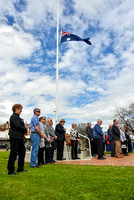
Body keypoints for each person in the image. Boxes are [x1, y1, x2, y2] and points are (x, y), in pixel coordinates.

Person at [7, 104, 27, 175]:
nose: (21, 111)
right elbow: (18, 126)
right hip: (15, 137)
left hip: (20, 137)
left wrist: (24, 129)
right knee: (14, 153)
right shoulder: (13, 117)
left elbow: (21, 126)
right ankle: (11, 170)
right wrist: (25, 129)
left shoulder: (19, 118)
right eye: (20, 109)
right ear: (16, 109)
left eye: (21, 109)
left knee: (22, 152)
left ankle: (20, 168)